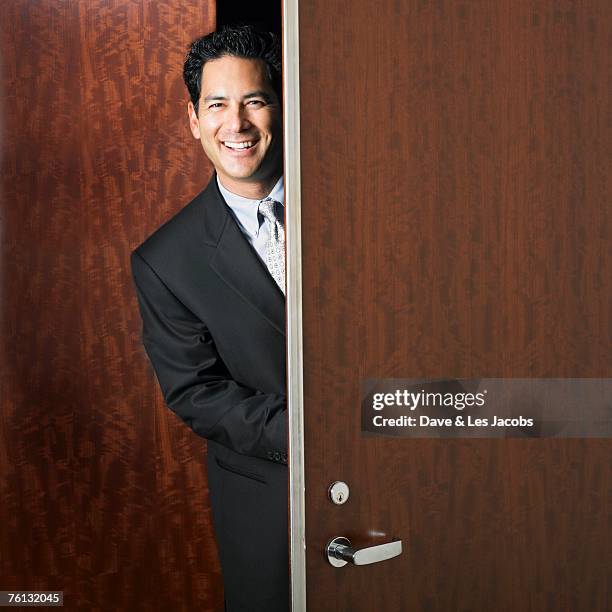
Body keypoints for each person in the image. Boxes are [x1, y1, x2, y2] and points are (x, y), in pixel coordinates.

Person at [130, 25, 289, 612]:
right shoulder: (164, 260)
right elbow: (198, 392)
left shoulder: (359, 205)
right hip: (267, 496)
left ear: (279, 104)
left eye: (254, 100)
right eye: (218, 104)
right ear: (194, 118)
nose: (237, 124)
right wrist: (314, 434)